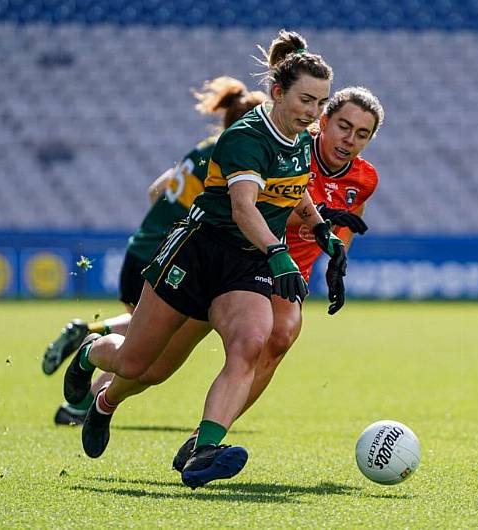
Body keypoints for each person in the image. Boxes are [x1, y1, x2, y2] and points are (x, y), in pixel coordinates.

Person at [62, 30, 340, 488]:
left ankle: (205, 449)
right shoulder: (244, 137)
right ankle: (92, 354)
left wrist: (320, 224)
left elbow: (293, 188)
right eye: (305, 100)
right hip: (198, 252)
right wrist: (279, 254)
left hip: (245, 264)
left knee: (251, 342)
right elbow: (243, 207)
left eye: (319, 103)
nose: (313, 112)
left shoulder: (302, 141)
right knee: (138, 365)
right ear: (277, 92)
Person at [169, 85, 384, 472]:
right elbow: (262, 213)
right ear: (323, 122)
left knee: (280, 335)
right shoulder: (291, 149)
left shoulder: (364, 178)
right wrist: (321, 219)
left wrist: (337, 261)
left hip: (285, 274)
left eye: (362, 134)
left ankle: (207, 439)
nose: (349, 140)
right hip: (234, 257)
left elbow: (349, 222)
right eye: (343, 127)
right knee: (153, 364)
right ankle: (103, 389)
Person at [42, 77, 267, 426]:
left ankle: (90, 352)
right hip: (172, 254)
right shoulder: (235, 155)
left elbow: (155, 190)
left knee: (147, 335)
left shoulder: (204, 147)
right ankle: (85, 392)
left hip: (143, 244)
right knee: (147, 343)